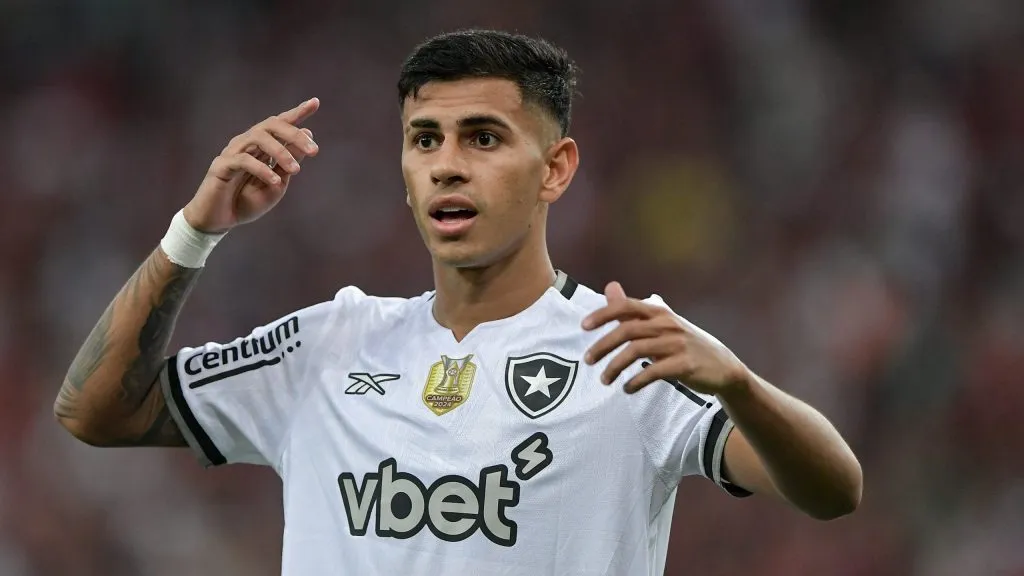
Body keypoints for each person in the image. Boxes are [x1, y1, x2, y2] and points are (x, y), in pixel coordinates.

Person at [55, 29, 862, 576]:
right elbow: (96, 413)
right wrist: (195, 230)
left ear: (555, 168)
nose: (446, 165)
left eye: (483, 138)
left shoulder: (625, 348)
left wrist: (739, 386)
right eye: (424, 139)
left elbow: (835, 490)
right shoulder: (326, 345)